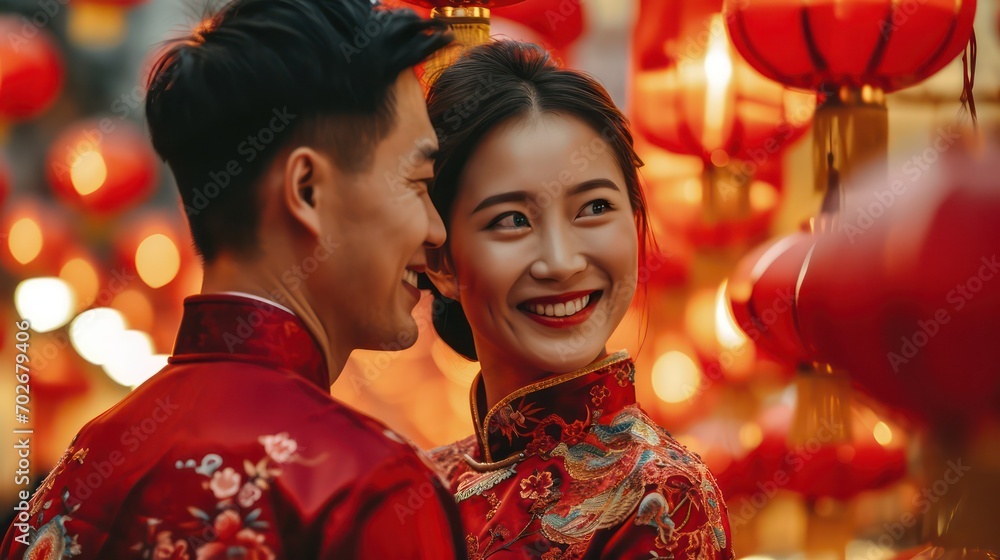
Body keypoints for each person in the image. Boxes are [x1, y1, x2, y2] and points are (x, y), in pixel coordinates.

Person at [1, 0, 466, 558]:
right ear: (307, 191)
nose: (437, 230)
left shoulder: (75, 475)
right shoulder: (364, 486)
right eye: (418, 183)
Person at [423, 41, 735, 559]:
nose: (562, 261)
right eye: (512, 220)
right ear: (441, 263)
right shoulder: (418, 484)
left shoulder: (660, 494)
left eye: (593, 207)